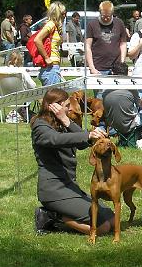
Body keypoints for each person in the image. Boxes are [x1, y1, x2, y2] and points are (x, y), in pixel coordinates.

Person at [30, 88, 113, 237]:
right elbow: (56, 139)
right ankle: (53, 217)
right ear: (54, 106)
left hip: (69, 186)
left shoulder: (61, 122)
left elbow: (82, 144)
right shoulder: (40, 127)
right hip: (54, 191)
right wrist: (88, 134)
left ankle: (58, 215)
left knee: (111, 218)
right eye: (66, 105)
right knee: (103, 227)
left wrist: (66, 120)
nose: (70, 108)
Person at [85, 1, 128, 79]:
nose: (105, 18)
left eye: (108, 16)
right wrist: (92, 67)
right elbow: (87, 46)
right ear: (100, 12)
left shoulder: (119, 23)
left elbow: (123, 44)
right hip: (98, 68)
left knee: (116, 91)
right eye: (103, 16)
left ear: (112, 13)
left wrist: (122, 63)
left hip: (116, 68)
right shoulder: (92, 25)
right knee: (101, 92)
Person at [33, 2, 66, 86]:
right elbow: (37, 40)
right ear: (58, 13)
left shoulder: (55, 26)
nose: (65, 16)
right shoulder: (50, 24)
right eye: (63, 13)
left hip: (53, 68)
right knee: (53, 98)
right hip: (50, 68)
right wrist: (47, 58)